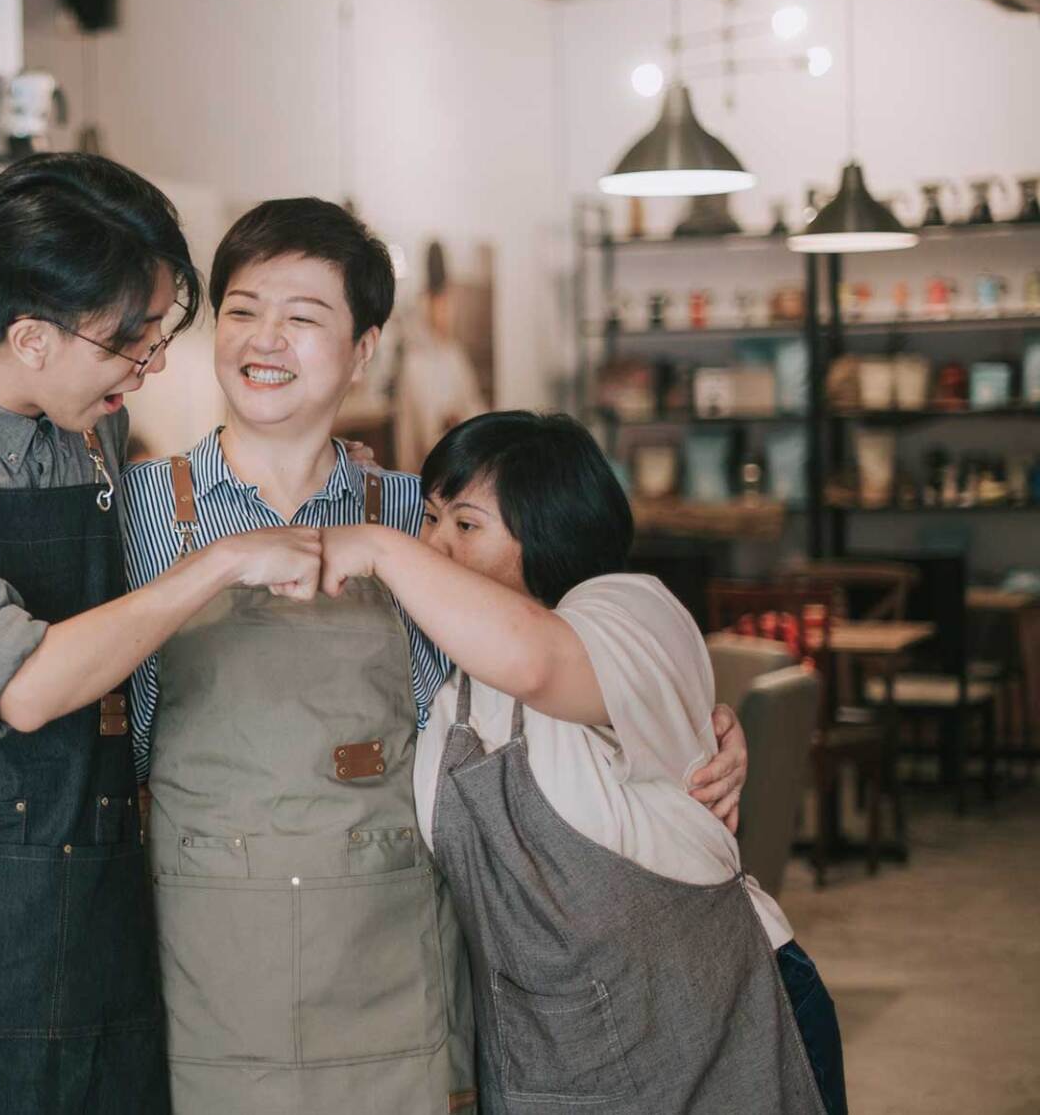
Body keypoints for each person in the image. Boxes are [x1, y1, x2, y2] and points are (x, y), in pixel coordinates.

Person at [0, 197, 750, 1113]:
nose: (264, 339)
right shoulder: (122, 507)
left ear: (363, 350)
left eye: (303, 318)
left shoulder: (420, 517)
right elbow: (24, 650)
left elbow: (568, 654)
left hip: (399, 958)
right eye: (241, 311)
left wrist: (695, 731)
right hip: (202, 965)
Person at [0, 154, 325, 1115]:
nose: (151, 366)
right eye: (130, 343)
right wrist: (218, 566)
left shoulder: (89, 428)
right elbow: (23, 686)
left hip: (102, 883)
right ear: (31, 336)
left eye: (160, 332)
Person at [317, 411, 846, 1115]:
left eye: (466, 526)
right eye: (432, 518)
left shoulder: (631, 610)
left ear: (550, 531)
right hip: (557, 1064)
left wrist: (380, 547)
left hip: (724, 1018)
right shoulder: (450, 681)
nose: (436, 543)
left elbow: (538, 660)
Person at [394, 240, 485, 472]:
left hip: (464, 464)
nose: (447, 313)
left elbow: (475, 407)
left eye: (449, 304)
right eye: (440, 305)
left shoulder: (454, 355)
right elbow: (419, 437)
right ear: (427, 305)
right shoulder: (415, 364)